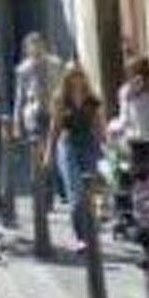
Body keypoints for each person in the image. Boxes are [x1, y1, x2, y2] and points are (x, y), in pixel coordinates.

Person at [45, 63, 106, 254]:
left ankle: (92, 230)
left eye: (79, 75)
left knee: (92, 189)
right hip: (68, 144)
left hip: (88, 143)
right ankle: (81, 237)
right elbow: (54, 128)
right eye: (72, 75)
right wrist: (49, 153)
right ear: (66, 78)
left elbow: (99, 127)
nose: (76, 79)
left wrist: (106, 148)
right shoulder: (60, 99)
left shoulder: (92, 99)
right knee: (76, 193)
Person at [13, 33, 66, 223]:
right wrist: (17, 123)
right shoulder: (23, 69)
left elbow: (63, 87)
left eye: (38, 45)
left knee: (56, 153)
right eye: (31, 46)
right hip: (34, 114)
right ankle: (44, 198)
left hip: (54, 112)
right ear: (27, 49)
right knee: (39, 156)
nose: (35, 49)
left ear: (44, 45)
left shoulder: (56, 64)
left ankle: (58, 191)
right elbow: (20, 97)